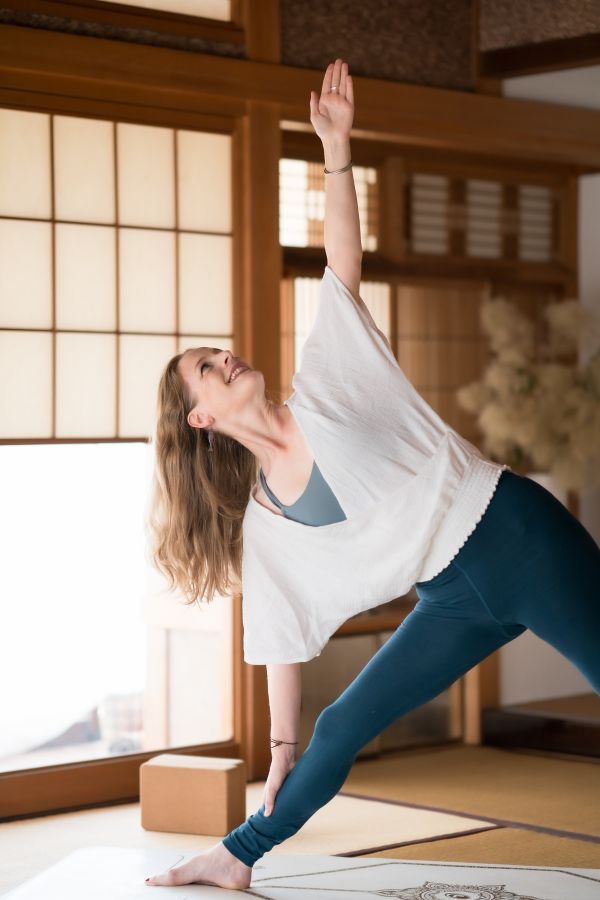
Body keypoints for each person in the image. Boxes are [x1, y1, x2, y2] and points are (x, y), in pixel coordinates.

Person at [144, 59, 600, 890]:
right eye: (209, 368)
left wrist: (337, 151)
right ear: (201, 419)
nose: (227, 357)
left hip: (517, 533)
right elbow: (280, 637)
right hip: (451, 595)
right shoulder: (266, 528)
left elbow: (341, 264)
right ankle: (235, 856)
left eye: (220, 351)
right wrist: (279, 752)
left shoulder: (329, 376)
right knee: (340, 724)